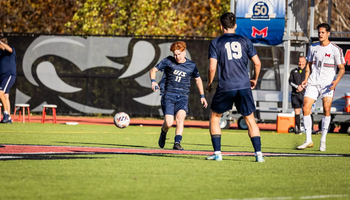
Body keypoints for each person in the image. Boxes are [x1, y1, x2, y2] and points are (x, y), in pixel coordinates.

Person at [206, 12, 264, 162]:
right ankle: (259, 155)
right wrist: (255, 79)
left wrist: (209, 83)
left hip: (226, 85)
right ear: (235, 26)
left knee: (215, 117)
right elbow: (257, 63)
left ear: (221, 26)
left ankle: (218, 154)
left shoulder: (216, 42)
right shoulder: (245, 41)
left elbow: (212, 68)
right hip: (244, 85)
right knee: (250, 119)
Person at [149, 41, 208, 150]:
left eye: (179, 54)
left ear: (184, 52)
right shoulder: (168, 61)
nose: (177, 57)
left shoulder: (191, 65)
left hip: (183, 96)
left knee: (180, 118)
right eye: (175, 54)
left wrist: (202, 96)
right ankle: (163, 132)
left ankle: (177, 143)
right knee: (169, 123)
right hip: (169, 95)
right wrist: (153, 81)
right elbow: (153, 70)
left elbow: (198, 80)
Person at [297, 23, 345, 151]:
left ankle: (323, 139)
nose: (320, 34)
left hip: (327, 84)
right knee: (305, 107)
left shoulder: (336, 49)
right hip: (313, 82)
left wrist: (335, 82)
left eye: (323, 32)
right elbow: (308, 65)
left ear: (328, 33)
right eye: (319, 32)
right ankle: (308, 140)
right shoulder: (313, 47)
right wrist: (306, 80)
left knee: (326, 108)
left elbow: (341, 69)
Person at [289, 56, 316, 135]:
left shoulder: (308, 71)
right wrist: (297, 87)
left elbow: (310, 82)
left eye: (302, 62)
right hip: (295, 94)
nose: (300, 63)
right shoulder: (293, 71)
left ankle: (311, 129)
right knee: (297, 111)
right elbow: (290, 81)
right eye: (299, 62)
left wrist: (302, 87)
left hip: (305, 94)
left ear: (305, 62)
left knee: (308, 110)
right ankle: (297, 129)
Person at [0, 35, 16, 124]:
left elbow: (9, 49)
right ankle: (8, 118)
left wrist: (1, 42)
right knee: (5, 96)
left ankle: (6, 114)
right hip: (2, 77)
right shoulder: (1, 53)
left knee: (0, 93)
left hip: (9, 75)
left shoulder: (10, 50)